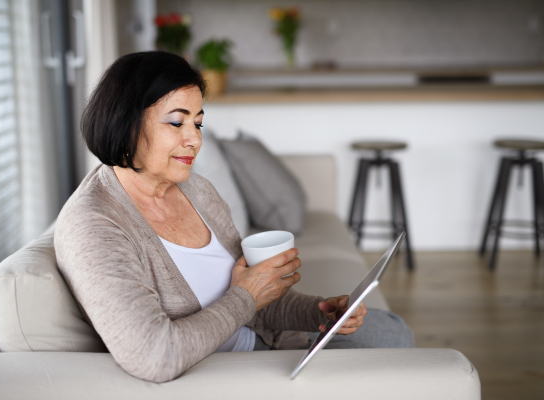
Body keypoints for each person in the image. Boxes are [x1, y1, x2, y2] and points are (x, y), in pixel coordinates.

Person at [54, 51, 414, 384]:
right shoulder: (94, 225)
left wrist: (319, 313)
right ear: (125, 124)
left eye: (198, 124)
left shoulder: (197, 190)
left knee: (394, 331)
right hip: (235, 375)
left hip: (274, 344)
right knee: (400, 359)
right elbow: (154, 355)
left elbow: (256, 303)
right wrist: (247, 295)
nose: (194, 139)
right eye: (177, 123)